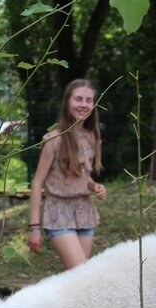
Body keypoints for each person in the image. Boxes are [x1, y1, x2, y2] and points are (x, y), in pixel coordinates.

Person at [26, 79, 107, 269]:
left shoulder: (92, 136)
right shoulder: (54, 139)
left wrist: (94, 186)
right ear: (67, 102)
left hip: (84, 212)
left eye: (88, 100)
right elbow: (37, 183)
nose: (83, 105)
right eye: (78, 99)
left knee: (79, 278)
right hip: (58, 213)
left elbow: (81, 176)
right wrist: (34, 227)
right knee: (82, 274)